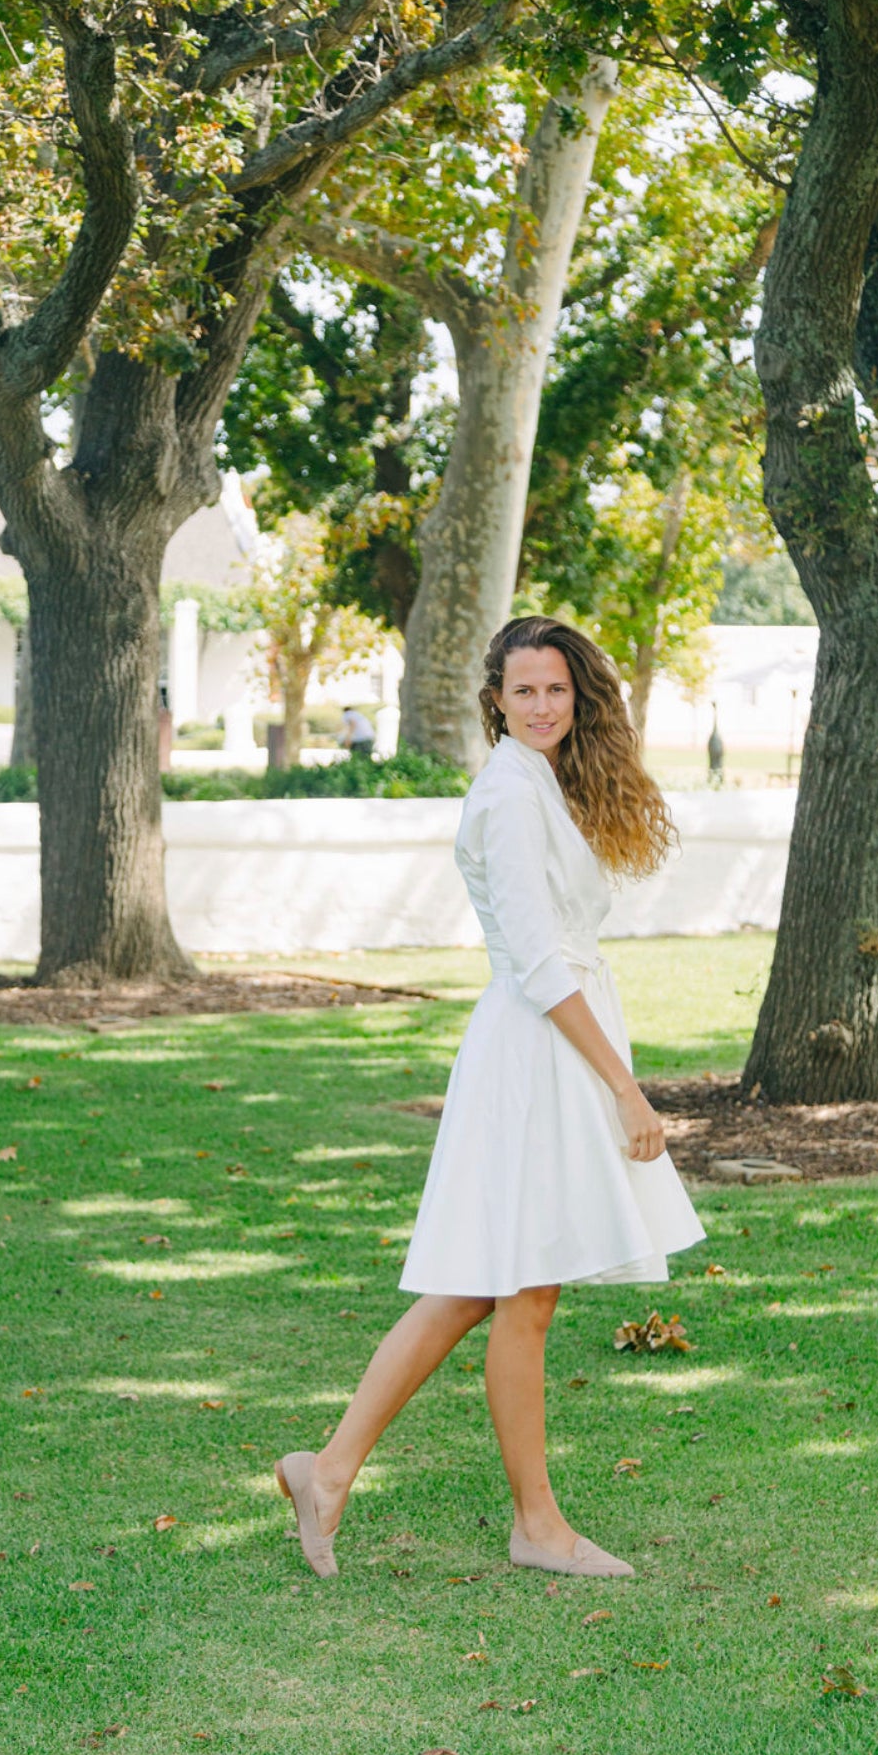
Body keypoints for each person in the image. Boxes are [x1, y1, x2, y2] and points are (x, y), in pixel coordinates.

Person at [276, 616, 705, 1580]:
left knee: (495, 1285)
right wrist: (626, 1091)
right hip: (537, 1047)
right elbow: (539, 964)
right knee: (518, 1285)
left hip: (556, 1039)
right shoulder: (508, 797)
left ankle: (332, 1469)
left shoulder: (544, 782)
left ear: (578, 694)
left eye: (558, 689)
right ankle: (529, 1523)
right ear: (496, 700)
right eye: (526, 691)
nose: (545, 706)